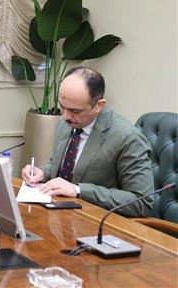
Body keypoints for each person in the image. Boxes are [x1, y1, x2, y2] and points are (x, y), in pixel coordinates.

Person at [21, 66, 154, 217]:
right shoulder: (67, 122)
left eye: (75, 111)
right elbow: (63, 165)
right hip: (59, 214)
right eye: (62, 107)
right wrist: (43, 173)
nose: (65, 116)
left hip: (97, 221)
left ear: (99, 105)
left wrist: (79, 190)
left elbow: (142, 201)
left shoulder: (128, 138)